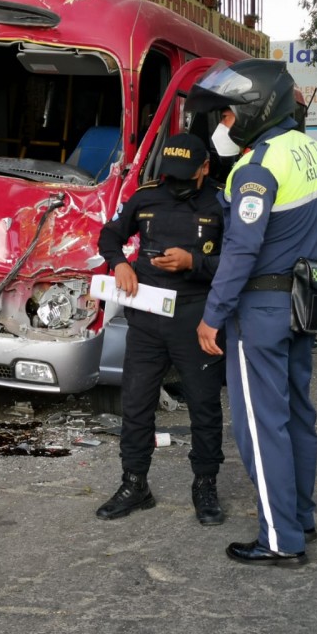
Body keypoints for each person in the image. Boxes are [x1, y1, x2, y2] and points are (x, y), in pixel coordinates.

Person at [188, 59, 317, 567]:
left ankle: (282, 540)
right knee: (297, 414)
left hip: (259, 309)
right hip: (303, 302)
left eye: (227, 115)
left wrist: (212, 315)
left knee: (262, 427)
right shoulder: (310, 149)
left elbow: (241, 250)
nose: (224, 125)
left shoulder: (256, 165)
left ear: (255, 108)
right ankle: (300, 515)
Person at [95, 134, 226, 524]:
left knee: (203, 405)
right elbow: (110, 234)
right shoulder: (147, 195)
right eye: (172, 175)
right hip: (147, 318)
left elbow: (238, 261)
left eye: (186, 175)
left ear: (205, 168)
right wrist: (118, 262)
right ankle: (135, 484)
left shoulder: (222, 201)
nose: (177, 182)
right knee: (135, 404)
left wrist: (193, 263)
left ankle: (205, 485)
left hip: (195, 318)